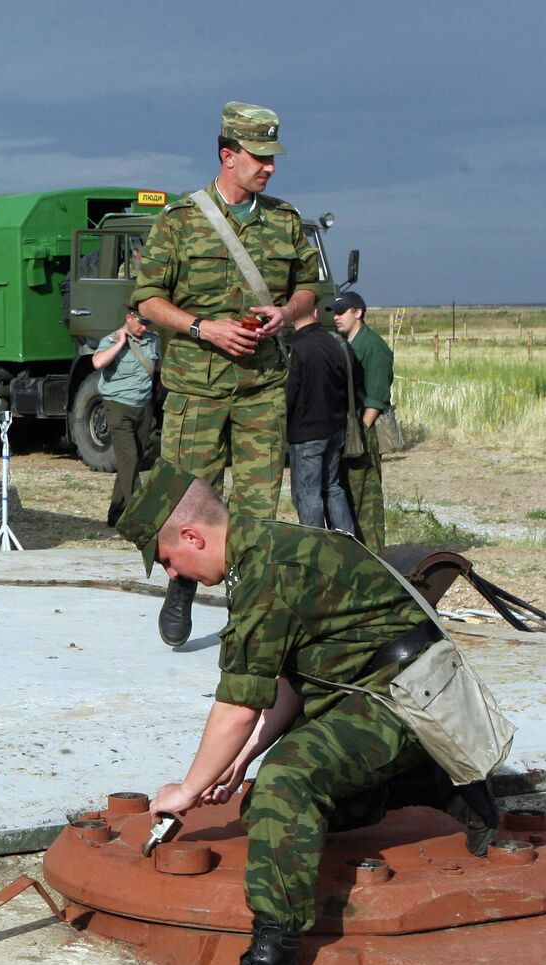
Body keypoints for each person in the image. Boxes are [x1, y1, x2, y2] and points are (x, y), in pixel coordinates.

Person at [113, 460, 498, 965]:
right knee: (263, 800)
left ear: (192, 536)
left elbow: (238, 704)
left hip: (409, 702)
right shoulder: (266, 551)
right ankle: (427, 783)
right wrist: (242, 757)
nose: (174, 573)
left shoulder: (266, 573)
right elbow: (291, 680)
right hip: (371, 693)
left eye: (170, 561)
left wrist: (188, 789)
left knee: (288, 785)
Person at [132, 102, 323, 647]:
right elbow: (146, 299)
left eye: (272, 157)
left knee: (258, 504)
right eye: (259, 157)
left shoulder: (285, 221)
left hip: (261, 388)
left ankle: (249, 608)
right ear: (227, 155)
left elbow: (309, 286)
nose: (269, 167)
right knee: (189, 497)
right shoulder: (179, 221)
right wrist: (201, 328)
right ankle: (181, 587)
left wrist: (286, 313)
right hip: (197, 390)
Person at [283, 302, 357, 533]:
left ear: (291, 317)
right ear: (315, 312)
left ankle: (315, 549)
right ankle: (348, 544)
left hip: (306, 432)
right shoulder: (336, 342)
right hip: (336, 427)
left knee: (308, 494)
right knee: (332, 487)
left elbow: (289, 393)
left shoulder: (298, 347)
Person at [331, 291, 393, 553]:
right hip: (349, 428)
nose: (336, 317)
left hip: (362, 430)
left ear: (358, 312)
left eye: (342, 311)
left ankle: (374, 556)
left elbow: (375, 399)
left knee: (366, 498)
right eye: (334, 312)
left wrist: (362, 432)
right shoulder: (349, 342)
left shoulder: (373, 346)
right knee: (348, 493)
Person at [91, 306, 161, 525]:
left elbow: (157, 368)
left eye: (147, 324)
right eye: (140, 322)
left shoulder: (153, 339)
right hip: (118, 407)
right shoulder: (111, 340)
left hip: (143, 406)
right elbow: (97, 363)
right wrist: (121, 343)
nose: (143, 327)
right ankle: (138, 515)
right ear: (128, 318)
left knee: (132, 460)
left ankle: (116, 514)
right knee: (128, 456)